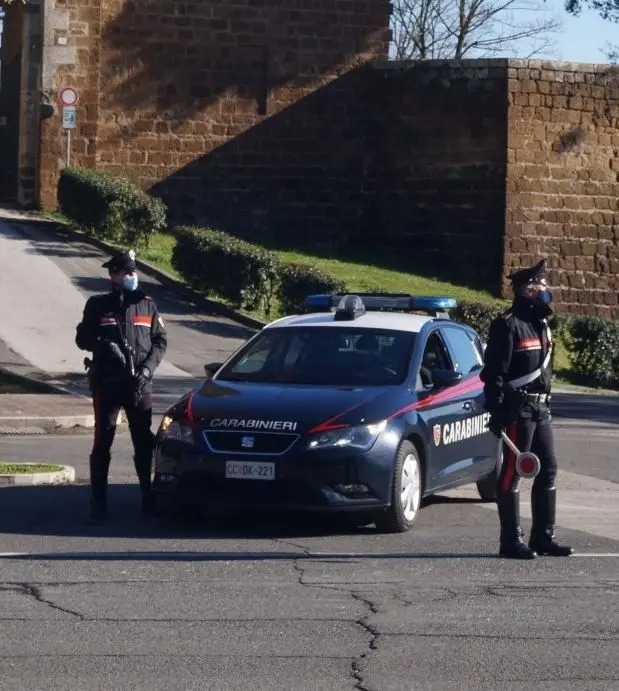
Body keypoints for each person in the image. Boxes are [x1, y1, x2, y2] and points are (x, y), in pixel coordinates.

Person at [480, 259, 573, 560]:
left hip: (542, 409)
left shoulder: (541, 323)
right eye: (542, 285)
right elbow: (493, 373)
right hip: (518, 409)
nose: (547, 290)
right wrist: (496, 409)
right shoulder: (507, 324)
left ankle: (544, 537)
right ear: (529, 290)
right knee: (513, 473)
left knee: (549, 468)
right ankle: (511, 541)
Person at [76, 250, 167, 522]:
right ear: (113, 275)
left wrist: (148, 369)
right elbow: (82, 338)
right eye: (126, 273)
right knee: (103, 441)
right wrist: (104, 344)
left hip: (139, 384)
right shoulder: (97, 305)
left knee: (143, 442)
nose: (131, 277)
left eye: (133, 272)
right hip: (108, 383)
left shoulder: (147, 305)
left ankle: (148, 498)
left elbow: (160, 342)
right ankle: (98, 502)